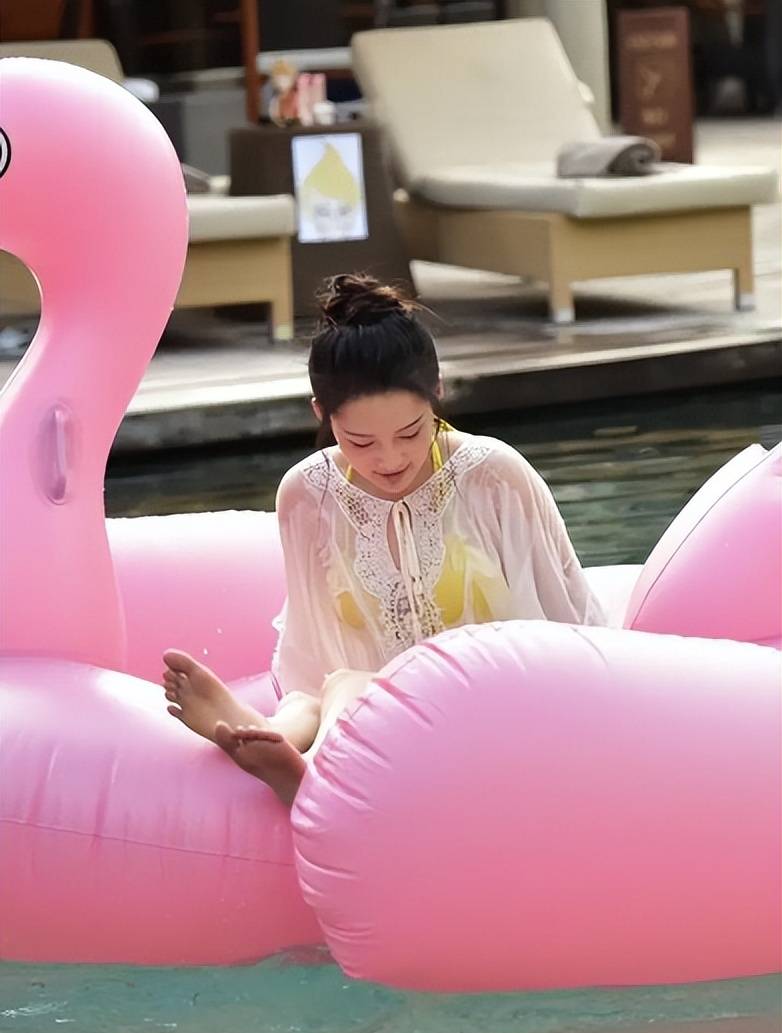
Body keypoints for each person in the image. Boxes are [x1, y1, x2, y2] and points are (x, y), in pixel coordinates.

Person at [163, 274, 605, 805]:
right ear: (321, 414)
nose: (389, 459)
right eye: (360, 441)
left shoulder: (494, 476)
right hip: (378, 719)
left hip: (499, 705)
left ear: (438, 393)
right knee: (339, 686)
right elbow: (311, 653)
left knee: (352, 686)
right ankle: (277, 738)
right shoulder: (307, 496)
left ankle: (310, 775)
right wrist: (305, 707)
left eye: (411, 432)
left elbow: (567, 618)